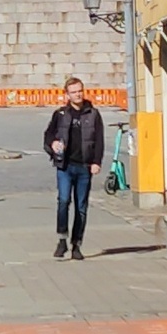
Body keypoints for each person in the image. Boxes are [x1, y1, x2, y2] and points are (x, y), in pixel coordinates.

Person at [42, 77, 104, 261]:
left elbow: (99, 140)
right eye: (74, 92)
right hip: (65, 166)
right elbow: (48, 135)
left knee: (81, 207)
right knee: (63, 201)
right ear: (67, 94)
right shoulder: (61, 114)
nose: (78, 94)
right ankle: (62, 239)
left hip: (84, 166)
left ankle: (77, 244)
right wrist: (52, 145)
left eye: (80, 91)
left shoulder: (93, 114)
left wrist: (96, 162)